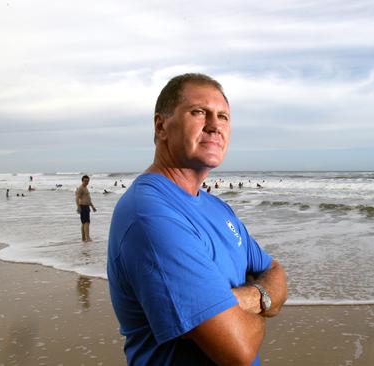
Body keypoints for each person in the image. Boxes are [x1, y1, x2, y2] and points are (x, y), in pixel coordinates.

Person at [108, 73, 287, 366]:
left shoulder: (218, 208)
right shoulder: (150, 214)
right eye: (199, 112)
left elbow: (275, 270)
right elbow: (238, 350)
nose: (215, 125)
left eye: (223, 117)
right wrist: (262, 301)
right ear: (161, 126)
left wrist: (249, 298)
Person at [75, 175, 96, 242]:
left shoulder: (85, 188)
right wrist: (78, 207)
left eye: (87, 181)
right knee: (86, 222)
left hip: (87, 207)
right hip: (83, 207)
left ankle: (83, 238)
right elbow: (77, 198)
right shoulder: (81, 188)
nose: (86, 182)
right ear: (82, 181)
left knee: (84, 223)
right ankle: (87, 238)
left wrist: (92, 206)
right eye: (85, 181)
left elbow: (88, 199)